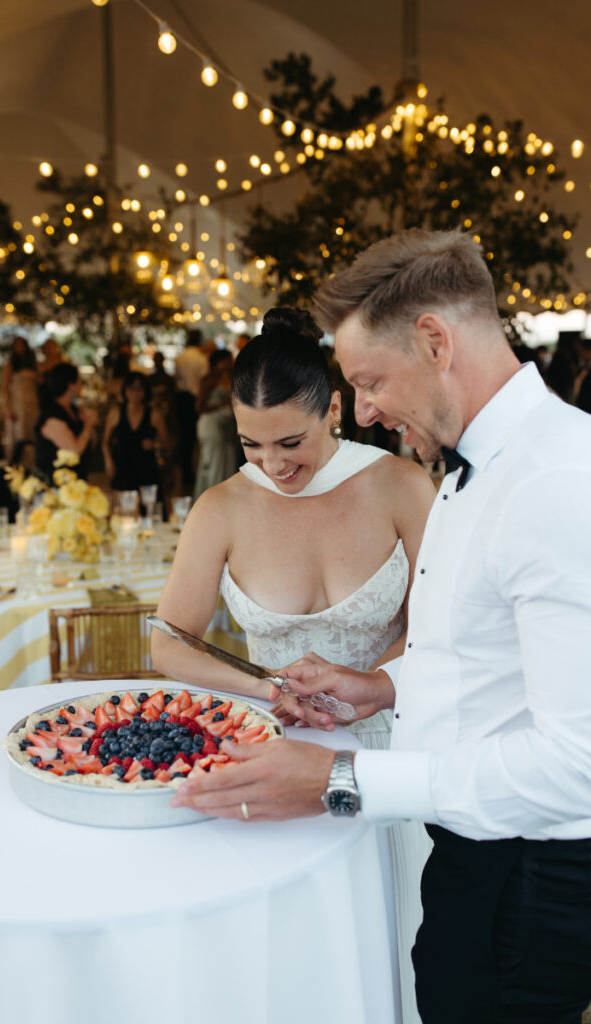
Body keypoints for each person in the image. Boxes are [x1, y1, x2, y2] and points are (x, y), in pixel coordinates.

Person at [169, 231, 591, 1024]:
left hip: (529, 875)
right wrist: (379, 686)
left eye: (369, 381)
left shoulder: (555, 482)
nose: (366, 411)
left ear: (435, 342)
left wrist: (342, 782)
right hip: (475, 857)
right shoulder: (472, 470)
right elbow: (477, 655)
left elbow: (588, 768)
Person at [152, 307, 436, 1022]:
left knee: (400, 947)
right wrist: (259, 684)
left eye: (291, 441)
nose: (273, 464)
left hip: (397, 745)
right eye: (251, 444)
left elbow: (446, 624)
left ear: (334, 408)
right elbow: (168, 641)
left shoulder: (402, 485)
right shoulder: (219, 508)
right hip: (274, 749)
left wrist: (373, 686)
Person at [102, 371, 168, 494]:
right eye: (131, 388)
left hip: (146, 470)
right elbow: (105, 442)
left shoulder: (154, 415)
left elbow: (166, 444)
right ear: (125, 390)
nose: (135, 392)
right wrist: (108, 461)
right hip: (122, 468)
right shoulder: (115, 413)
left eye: (139, 388)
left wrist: (154, 444)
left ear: (145, 391)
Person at [34, 362, 97, 482]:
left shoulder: (73, 411)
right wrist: (88, 426)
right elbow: (74, 451)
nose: (81, 386)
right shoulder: (51, 416)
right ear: (70, 385)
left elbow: (89, 445)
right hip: (56, 487)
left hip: (77, 482)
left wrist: (88, 424)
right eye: (79, 382)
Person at [192, 348, 237, 499]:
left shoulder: (230, 377)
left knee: (227, 461)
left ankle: (225, 500)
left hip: (227, 426)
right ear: (219, 363)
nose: (230, 363)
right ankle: (211, 499)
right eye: (227, 360)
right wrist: (222, 404)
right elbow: (199, 407)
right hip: (211, 424)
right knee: (214, 463)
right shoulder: (208, 380)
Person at [174, 330, 209, 490]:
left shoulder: (180, 358)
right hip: (195, 399)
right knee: (195, 438)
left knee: (184, 438)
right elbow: (204, 383)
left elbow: (178, 380)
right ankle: (193, 474)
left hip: (182, 399)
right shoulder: (201, 358)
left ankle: (186, 473)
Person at [2, 335, 39, 460]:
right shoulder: (10, 365)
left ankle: (31, 463)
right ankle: (15, 464)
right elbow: (5, 387)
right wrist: (8, 408)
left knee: (32, 434)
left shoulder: (33, 364)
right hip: (18, 404)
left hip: (32, 403)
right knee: (20, 436)